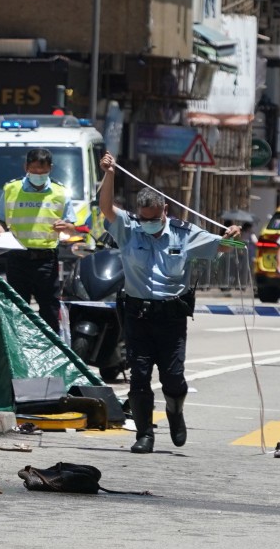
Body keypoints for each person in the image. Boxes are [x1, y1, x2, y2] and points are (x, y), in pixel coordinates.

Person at [99, 151, 240, 454]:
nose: (147, 223)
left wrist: (230, 235)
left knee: (173, 377)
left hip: (171, 317)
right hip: (137, 314)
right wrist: (109, 174)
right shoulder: (129, 228)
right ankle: (144, 433)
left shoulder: (184, 233)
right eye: (143, 217)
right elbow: (106, 207)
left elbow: (224, 247)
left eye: (153, 218)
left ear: (165, 211)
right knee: (138, 376)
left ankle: (175, 413)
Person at [0, 148, 79, 334]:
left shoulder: (60, 192)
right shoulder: (11, 189)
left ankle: (51, 353)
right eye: (34, 170)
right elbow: (1, 220)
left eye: (43, 171)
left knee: (49, 310)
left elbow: (72, 226)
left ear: (50, 168)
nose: (38, 175)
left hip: (46, 260)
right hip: (17, 258)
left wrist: (66, 227)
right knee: (18, 310)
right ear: (26, 167)